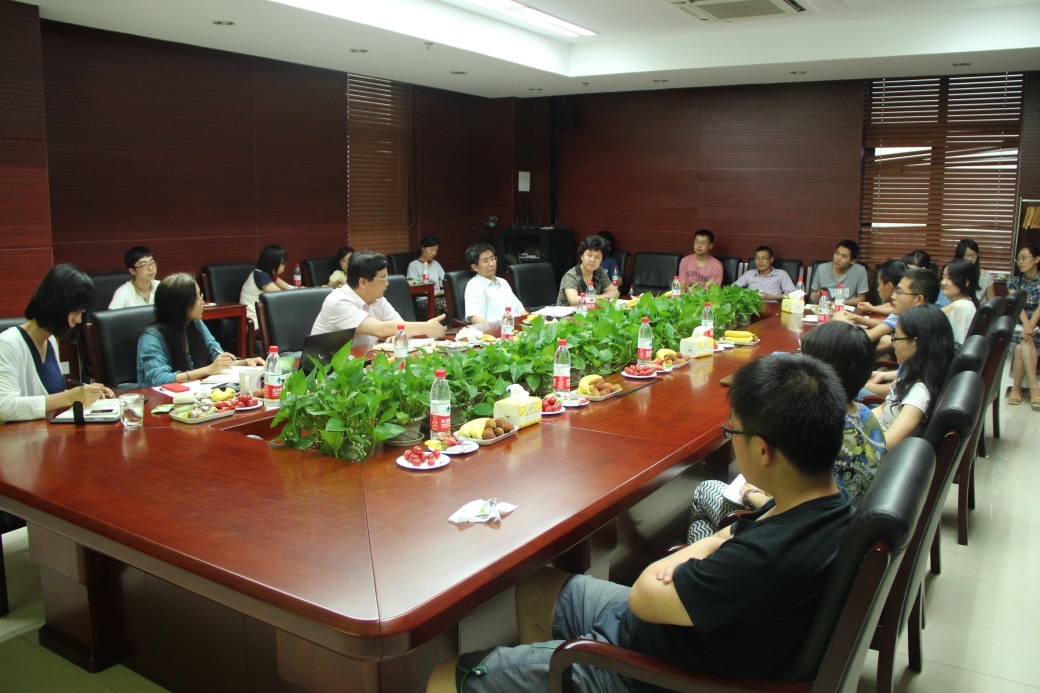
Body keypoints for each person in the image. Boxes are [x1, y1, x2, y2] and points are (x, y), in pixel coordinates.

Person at [428, 354, 854, 693]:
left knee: (445, 676)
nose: (730, 437)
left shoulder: (763, 559)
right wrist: (713, 545)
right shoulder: (828, 506)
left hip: (643, 670)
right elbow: (728, 537)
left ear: (762, 451)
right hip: (679, 633)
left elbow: (646, 595)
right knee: (535, 588)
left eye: (733, 431)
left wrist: (694, 554)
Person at [686, 321, 886, 542]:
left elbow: (801, 511)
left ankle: (707, 555)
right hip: (845, 527)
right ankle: (705, 549)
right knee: (704, 530)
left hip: (803, 535)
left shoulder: (818, 429)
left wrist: (751, 494)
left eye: (802, 355)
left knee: (706, 490)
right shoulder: (867, 414)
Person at [1, 265, 113, 423]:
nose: (78, 320)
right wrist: (69, 397)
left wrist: (87, 393)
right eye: (76, 312)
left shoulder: (51, 340)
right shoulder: (8, 343)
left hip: (45, 433)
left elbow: (49, 398)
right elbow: (4, 407)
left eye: (82, 313)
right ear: (56, 306)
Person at [137, 274, 264, 388]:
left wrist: (244, 363)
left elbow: (216, 357)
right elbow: (158, 379)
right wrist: (207, 370)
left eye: (200, 296)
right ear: (180, 304)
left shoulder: (195, 323)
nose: (203, 302)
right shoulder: (151, 337)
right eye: (197, 298)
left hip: (197, 394)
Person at [311, 251, 447, 348]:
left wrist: (397, 334)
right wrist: (426, 327)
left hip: (361, 362)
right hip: (325, 372)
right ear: (363, 282)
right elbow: (380, 329)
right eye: (383, 278)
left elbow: (400, 325)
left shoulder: (377, 299)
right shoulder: (339, 301)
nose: (387, 283)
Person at [873, 304, 954, 447]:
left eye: (896, 339)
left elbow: (887, 444)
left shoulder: (920, 393)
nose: (893, 345)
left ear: (915, 342)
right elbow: (883, 408)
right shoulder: (911, 369)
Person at [1007, 245, 1040, 409]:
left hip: (1037, 325)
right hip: (1019, 325)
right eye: (1018, 258)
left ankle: (1016, 389)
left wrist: (1031, 326)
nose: (1020, 262)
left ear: (1037, 259)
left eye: (1024, 257)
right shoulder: (1014, 281)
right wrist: (1026, 325)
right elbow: (1017, 305)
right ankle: (1034, 388)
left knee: (1022, 345)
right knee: (1023, 342)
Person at [463, 243, 527, 324]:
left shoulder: (503, 282)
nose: (492, 264)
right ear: (475, 267)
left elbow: (521, 310)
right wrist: (494, 330)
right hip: (497, 329)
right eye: (485, 261)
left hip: (518, 327)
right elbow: (475, 318)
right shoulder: (474, 286)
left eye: (492, 259)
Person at [556, 234, 621, 307]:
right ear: (581, 256)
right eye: (589, 255)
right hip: (568, 313)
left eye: (597, 257)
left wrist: (597, 298)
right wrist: (595, 299)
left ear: (602, 260)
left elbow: (614, 292)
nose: (592, 260)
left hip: (590, 312)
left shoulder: (599, 271)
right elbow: (573, 300)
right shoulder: (571, 275)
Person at [240, 244, 293, 327]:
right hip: (253, 323)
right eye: (283, 264)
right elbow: (282, 296)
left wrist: (300, 289)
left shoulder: (268, 275)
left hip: (262, 319)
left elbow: (289, 288)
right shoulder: (259, 276)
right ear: (273, 263)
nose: (284, 266)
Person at [837, 259, 905, 323]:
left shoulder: (902, 309)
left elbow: (883, 326)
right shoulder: (899, 302)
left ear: (889, 286)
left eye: (879, 284)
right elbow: (889, 307)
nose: (878, 289)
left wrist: (852, 318)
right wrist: (871, 308)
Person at [810, 239, 868, 307]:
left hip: (847, 309)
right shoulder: (822, 268)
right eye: (837, 253)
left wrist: (840, 303)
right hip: (825, 308)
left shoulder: (860, 271)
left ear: (852, 261)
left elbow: (861, 298)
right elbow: (813, 296)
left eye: (844, 256)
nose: (838, 259)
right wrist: (816, 296)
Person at [940, 259, 979, 346]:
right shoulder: (968, 303)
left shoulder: (959, 307)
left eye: (949, 278)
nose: (943, 282)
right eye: (943, 277)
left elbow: (957, 345)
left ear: (966, 282)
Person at [407, 235, 448, 316]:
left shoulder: (436, 264)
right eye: (431, 250)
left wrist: (442, 290)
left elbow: (445, 280)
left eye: (436, 251)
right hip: (423, 299)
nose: (434, 253)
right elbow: (412, 284)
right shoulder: (413, 265)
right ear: (423, 248)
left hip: (438, 297)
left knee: (454, 301)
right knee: (447, 304)